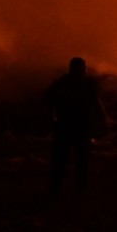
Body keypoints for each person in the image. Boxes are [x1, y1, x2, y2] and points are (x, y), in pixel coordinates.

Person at [44, 57, 107, 195]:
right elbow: (96, 102)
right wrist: (103, 119)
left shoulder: (64, 82)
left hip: (70, 126)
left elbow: (49, 99)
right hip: (74, 126)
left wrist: (52, 118)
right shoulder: (79, 83)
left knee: (72, 159)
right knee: (74, 159)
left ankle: (65, 188)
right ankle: (72, 188)